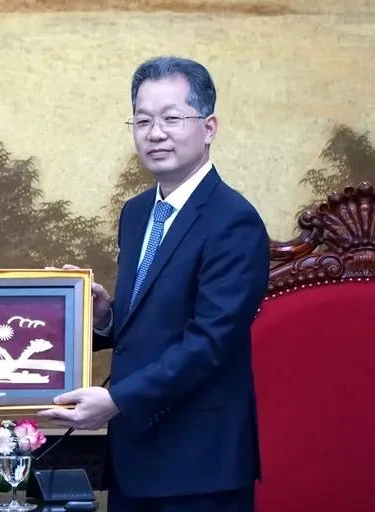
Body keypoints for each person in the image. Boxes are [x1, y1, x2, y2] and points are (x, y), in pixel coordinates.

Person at [39, 56, 270, 512]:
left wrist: (115, 400)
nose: (155, 133)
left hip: (200, 466)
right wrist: (105, 319)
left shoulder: (234, 221)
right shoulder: (138, 212)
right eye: (142, 120)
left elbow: (209, 343)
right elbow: (149, 323)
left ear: (209, 127)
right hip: (135, 456)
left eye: (171, 118)